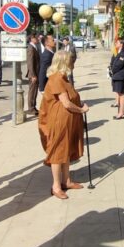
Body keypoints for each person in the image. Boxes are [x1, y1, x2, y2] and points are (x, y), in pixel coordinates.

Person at [38, 50, 89, 199]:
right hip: (58, 122)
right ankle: (56, 186)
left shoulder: (63, 77)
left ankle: (66, 181)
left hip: (67, 121)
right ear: (64, 62)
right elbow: (66, 103)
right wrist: (81, 109)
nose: (73, 64)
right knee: (58, 153)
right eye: (71, 61)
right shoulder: (56, 79)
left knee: (66, 150)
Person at [109, 38, 124, 119]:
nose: (115, 44)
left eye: (117, 43)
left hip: (120, 77)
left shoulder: (123, 54)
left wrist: (112, 70)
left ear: (121, 44)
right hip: (117, 76)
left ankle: (121, 113)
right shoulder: (119, 53)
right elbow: (114, 63)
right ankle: (122, 111)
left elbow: (118, 65)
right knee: (120, 93)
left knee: (121, 94)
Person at [25, 34, 40, 115]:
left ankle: (33, 107)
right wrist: (33, 75)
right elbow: (30, 63)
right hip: (33, 74)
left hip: (35, 73)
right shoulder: (31, 48)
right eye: (36, 37)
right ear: (32, 39)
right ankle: (31, 108)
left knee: (34, 92)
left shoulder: (34, 47)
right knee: (32, 92)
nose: (37, 39)